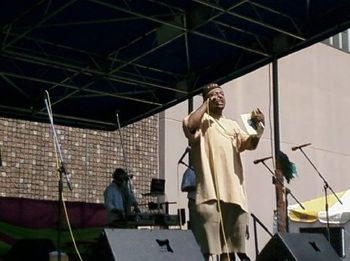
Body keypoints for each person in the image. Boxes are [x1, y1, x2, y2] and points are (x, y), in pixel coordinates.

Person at [182, 83, 264, 261]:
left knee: (231, 246)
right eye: (215, 94)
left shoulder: (232, 124)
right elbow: (190, 126)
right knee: (208, 246)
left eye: (222, 94)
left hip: (233, 192)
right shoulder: (201, 120)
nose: (219, 97)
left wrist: (258, 130)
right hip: (209, 192)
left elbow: (250, 144)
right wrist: (205, 104)